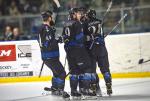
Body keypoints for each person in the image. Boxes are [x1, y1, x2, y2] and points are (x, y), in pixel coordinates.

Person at [62, 8, 96, 99]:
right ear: (73, 14)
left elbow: (64, 38)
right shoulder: (77, 23)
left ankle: (73, 91)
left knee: (74, 71)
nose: (80, 15)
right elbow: (80, 39)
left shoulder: (65, 24)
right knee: (87, 67)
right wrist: (89, 37)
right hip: (78, 50)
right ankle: (85, 90)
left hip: (69, 51)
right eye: (78, 13)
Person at [38, 10, 70, 99]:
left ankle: (55, 87)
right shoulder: (47, 28)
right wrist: (59, 39)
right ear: (49, 18)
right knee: (62, 73)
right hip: (51, 56)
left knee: (56, 72)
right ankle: (60, 90)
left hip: (46, 57)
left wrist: (54, 37)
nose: (52, 18)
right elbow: (49, 42)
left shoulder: (42, 27)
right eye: (51, 17)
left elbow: (46, 41)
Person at [85, 9, 112, 96]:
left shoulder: (85, 24)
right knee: (105, 69)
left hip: (92, 50)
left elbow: (85, 38)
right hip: (102, 49)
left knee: (92, 70)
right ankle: (109, 86)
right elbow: (102, 35)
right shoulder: (100, 22)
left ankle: (93, 88)